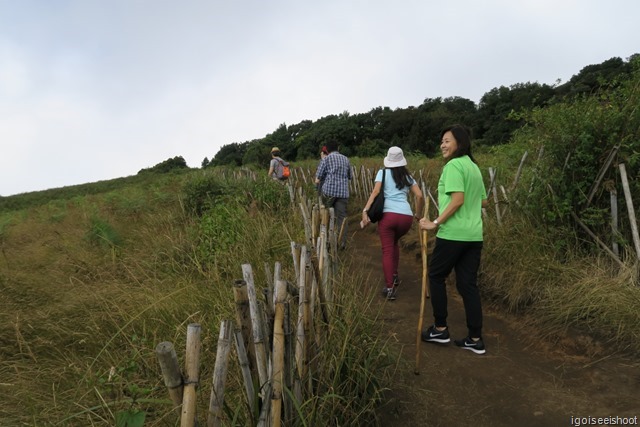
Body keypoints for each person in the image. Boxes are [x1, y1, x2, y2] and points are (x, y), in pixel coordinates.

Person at [419, 124, 488, 354]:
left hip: (453, 234)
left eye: (447, 140)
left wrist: (435, 222)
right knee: (467, 284)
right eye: (442, 141)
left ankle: (440, 329)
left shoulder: (454, 166)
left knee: (436, 276)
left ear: (460, 142)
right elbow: (482, 201)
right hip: (473, 235)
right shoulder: (474, 168)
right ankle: (475, 338)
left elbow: (457, 199)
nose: (442, 145)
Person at [361, 146, 424, 300]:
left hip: (388, 216)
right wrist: (418, 214)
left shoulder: (382, 173)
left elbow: (376, 192)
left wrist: (365, 210)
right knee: (394, 243)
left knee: (387, 250)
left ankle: (390, 288)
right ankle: (394, 275)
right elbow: (420, 196)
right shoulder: (407, 176)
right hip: (406, 217)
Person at [315, 140, 352, 249]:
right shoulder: (346, 159)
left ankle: (326, 242)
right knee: (341, 218)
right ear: (338, 148)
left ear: (327, 149)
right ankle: (341, 243)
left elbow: (318, 177)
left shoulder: (326, 159)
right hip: (342, 193)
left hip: (328, 192)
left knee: (326, 215)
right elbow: (350, 176)